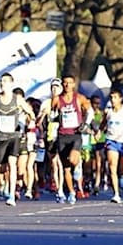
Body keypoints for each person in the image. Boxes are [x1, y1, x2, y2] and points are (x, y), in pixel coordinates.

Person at [0, 73, 36, 206]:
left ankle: (11, 195)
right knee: (0, 168)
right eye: (1, 81)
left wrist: (32, 120)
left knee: (13, 165)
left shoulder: (17, 100)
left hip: (14, 136)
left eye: (5, 81)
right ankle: (5, 186)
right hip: (0, 137)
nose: (2, 84)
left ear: (11, 84)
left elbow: (30, 112)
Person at [50, 75, 92, 204]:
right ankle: (72, 193)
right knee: (66, 168)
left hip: (75, 134)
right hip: (62, 135)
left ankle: (78, 168)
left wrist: (85, 124)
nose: (67, 85)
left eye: (70, 83)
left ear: (74, 84)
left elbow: (89, 111)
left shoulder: (79, 98)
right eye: (65, 83)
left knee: (73, 160)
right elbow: (52, 116)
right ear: (63, 85)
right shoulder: (57, 99)